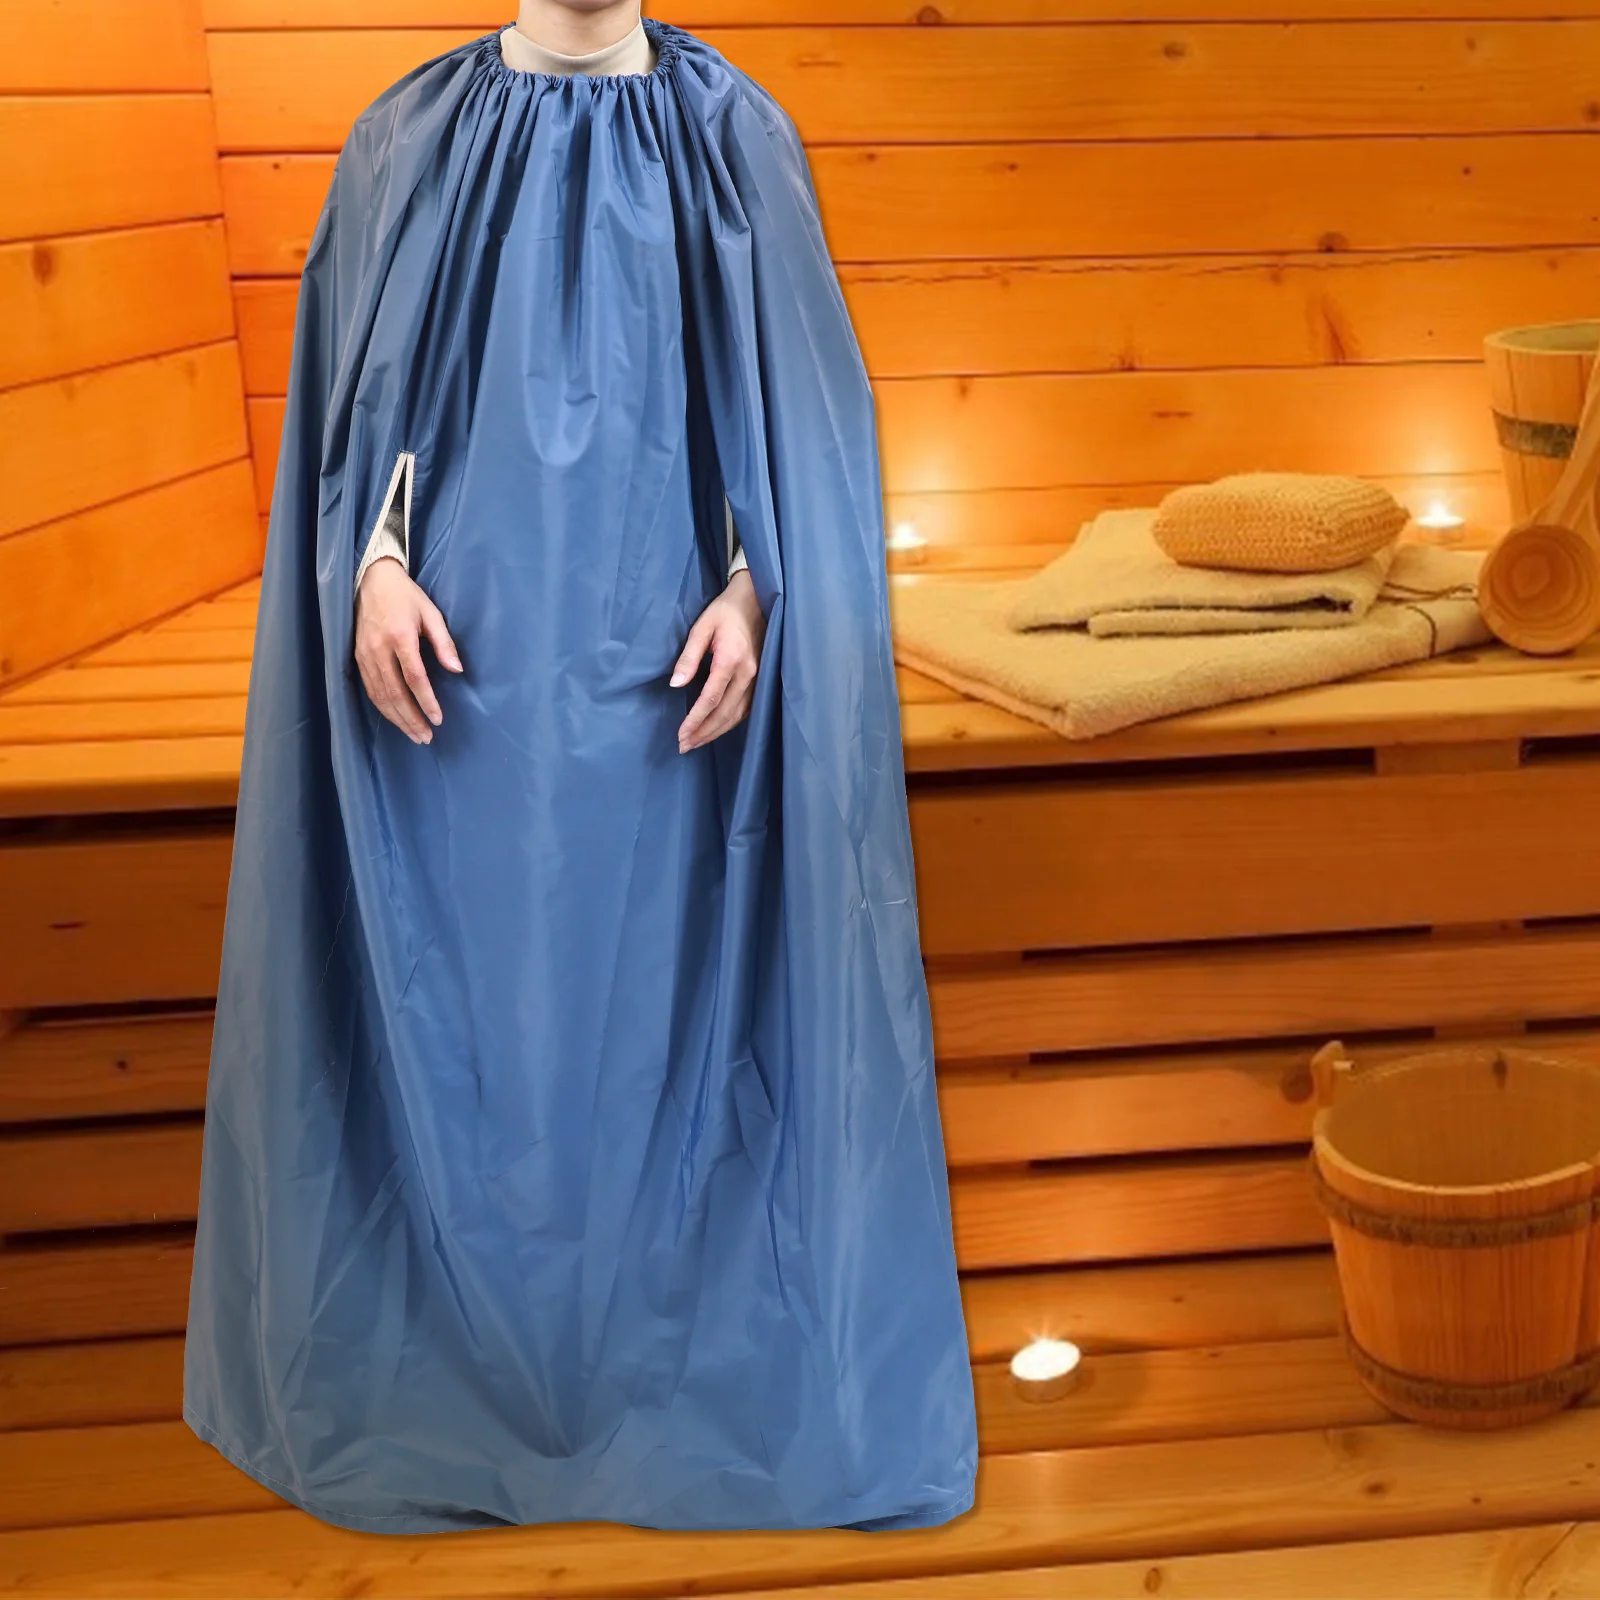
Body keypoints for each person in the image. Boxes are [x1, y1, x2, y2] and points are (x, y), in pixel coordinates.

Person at [182, 0, 980, 1536]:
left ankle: (654, 1370)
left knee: (651, 1035)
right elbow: (352, 421)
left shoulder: (731, 136)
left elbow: (798, 427)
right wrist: (371, 573)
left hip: (670, 698)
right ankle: (469, 1372)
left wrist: (756, 597)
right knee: (480, 1031)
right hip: (451, 704)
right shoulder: (408, 139)